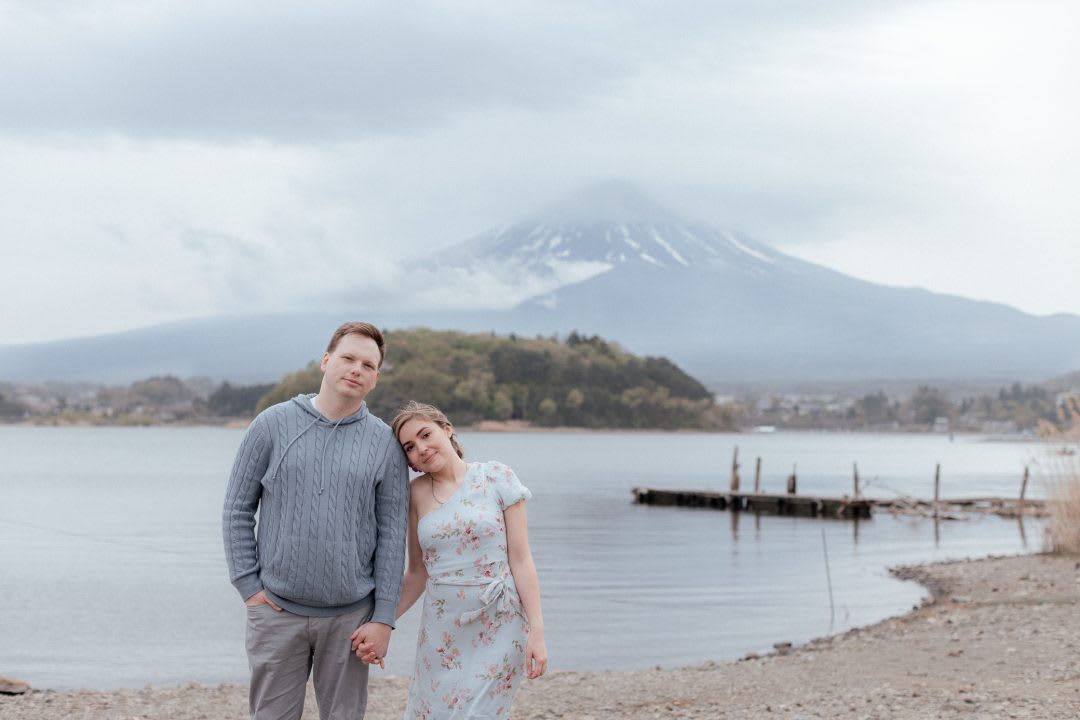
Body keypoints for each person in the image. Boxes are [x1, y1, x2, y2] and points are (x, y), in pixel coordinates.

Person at [223, 322, 410, 720]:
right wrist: (249, 588)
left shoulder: (385, 444)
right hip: (275, 610)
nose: (356, 368)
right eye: (347, 358)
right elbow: (237, 509)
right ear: (326, 361)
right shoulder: (271, 425)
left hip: (351, 617)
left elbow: (393, 537)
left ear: (375, 378)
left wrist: (383, 618)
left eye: (368, 364)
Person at [368, 401, 547, 719]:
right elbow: (416, 573)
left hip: (500, 624)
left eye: (426, 435)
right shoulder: (415, 495)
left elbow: (521, 559)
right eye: (410, 447)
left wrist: (537, 631)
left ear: (447, 429)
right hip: (442, 632)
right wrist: (381, 621)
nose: (421, 448)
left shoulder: (496, 477)